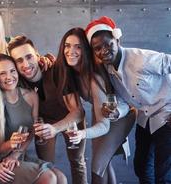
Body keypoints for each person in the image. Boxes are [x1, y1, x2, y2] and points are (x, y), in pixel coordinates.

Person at [85, 16, 171, 183]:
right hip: (145, 119)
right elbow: (125, 100)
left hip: (167, 117)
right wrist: (116, 111)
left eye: (108, 44)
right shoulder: (108, 70)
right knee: (141, 168)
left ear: (117, 39)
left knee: (163, 175)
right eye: (97, 48)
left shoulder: (140, 59)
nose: (103, 50)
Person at [0, 54, 67, 184]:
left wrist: (15, 155)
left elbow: (31, 132)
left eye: (12, 71)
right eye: (2, 73)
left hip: (18, 156)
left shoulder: (31, 96)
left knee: (61, 178)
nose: (9, 77)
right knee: (49, 178)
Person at [55, 27, 136, 183]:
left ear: (85, 50)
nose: (71, 50)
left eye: (78, 46)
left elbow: (104, 126)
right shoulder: (70, 72)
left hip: (120, 116)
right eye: (67, 45)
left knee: (98, 168)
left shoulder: (95, 77)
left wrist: (81, 134)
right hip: (102, 114)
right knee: (104, 164)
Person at [7, 35, 87, 184]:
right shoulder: (17, 82)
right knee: (46, 166)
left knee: (78, 162)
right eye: (19, 60)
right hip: (43, 124)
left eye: (29, 57)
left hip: (69, 119)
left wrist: (55, 128)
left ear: (37, 55)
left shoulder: (56, 70)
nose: (26, 64)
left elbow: (78, 112)